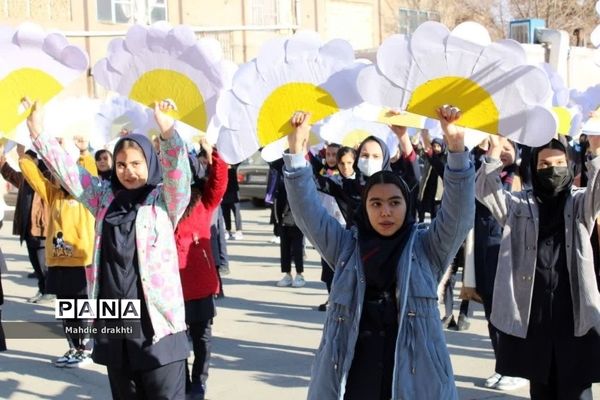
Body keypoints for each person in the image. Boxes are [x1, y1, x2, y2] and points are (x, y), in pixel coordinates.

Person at [284, 106, 474, 399]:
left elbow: (458, 215)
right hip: (355, 380)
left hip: (414, 383)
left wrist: (457, 150)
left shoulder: (426, 248)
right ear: (365, 207)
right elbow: (308, 214)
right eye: (376, 203)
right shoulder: (347, 248)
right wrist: (297, 153)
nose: (386, 211)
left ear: (407, 206)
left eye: (395, 202)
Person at [25, 98, 191, 399]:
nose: (128, 171)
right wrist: (38, 133)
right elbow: (70, 174)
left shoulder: (163, 201)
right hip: (116, 323)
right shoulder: (104, 199)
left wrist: (168, 133)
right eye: (122, 164)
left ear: (150, 163)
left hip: (158, 326)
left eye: (136, 164)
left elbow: (179, 174)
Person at [476, 135, 600, 399]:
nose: (552, 169)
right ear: (533, 167)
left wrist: (596, 149)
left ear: (570, 165)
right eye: (544, 164)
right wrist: (495, 151)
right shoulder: (519, 205)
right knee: (541, 388)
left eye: (559, 162)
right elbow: (486, 191)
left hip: (575, 316)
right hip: (535, 318)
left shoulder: (579, 202)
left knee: (576, 388)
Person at [19, 141, 96, 368]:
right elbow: (31, 174)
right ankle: (73, 347)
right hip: (57, 262)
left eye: (62, 172)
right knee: (65, 309)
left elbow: (88, 169)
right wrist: (25, 153)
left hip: (81, 262)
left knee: (81, 309)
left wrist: (82, 151)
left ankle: (85, 348)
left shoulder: (84, 196)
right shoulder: (53, 195)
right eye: (55, 172)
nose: (58, 177)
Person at [175, 138, 228, 399]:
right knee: (177, 343)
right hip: (172, 287)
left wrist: (213, 152)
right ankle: (182, 382)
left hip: (201, 284)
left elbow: (219, 181)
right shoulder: (164, 201)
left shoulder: (204, 201)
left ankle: (199, 381)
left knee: (202, 341)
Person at [0, 147, 51, 303]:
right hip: (27, 227)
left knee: (42, 262)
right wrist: (1, 159)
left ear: (36, 161)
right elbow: (8, 173)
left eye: (29, 160)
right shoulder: (24, 178)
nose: (25, 164)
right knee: (35, 261)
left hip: (41, 227)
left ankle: (49, 291)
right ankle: (42, 288)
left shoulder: (46, 177)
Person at [221, 163, 243, 240]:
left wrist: (231, 165)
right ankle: (228, 230)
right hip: (224, 191)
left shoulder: (234, 164)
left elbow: (239, 160)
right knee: (225, 211)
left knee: (236, 211)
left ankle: (239, 230)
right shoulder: (221, 164)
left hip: (233, 191)